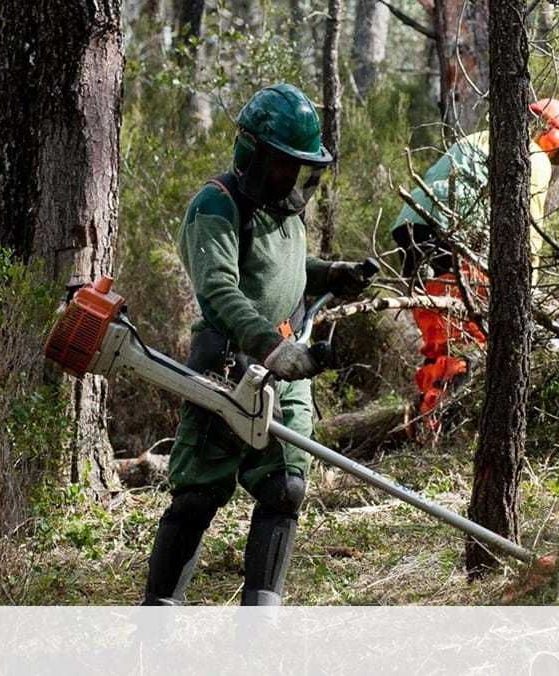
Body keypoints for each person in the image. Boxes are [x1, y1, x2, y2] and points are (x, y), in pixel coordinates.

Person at [142, 83, 376, 606]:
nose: (292, 177)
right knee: (198, 496)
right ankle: (154, 633)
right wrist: (268, 346)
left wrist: (331, 274)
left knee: (285, 490)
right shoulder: (217, 205)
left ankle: (259, 632)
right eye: (282, 164)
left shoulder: (283, 210)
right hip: (227, 369)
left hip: (284, 367)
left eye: (300, 167)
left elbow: (285, 273)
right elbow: (221, 287)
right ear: (253, 155)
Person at [391, 99, 559, 437]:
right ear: (555, 138)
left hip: (411, 231)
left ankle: (423, 418)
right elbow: (527, 230)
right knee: (468, 338)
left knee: (440, 338)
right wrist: (526, 290)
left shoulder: (479, 137)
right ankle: (442, 429)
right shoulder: (533, 158)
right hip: (453, 238)